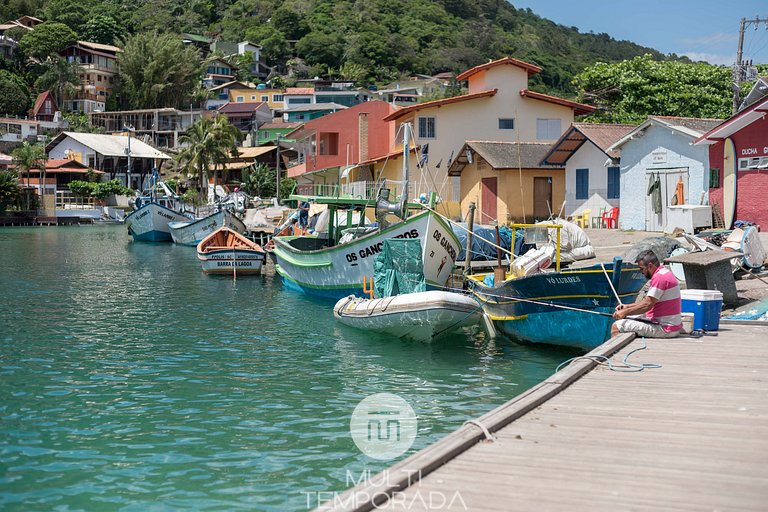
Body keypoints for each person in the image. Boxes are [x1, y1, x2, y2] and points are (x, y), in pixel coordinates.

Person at [611, 249, 682, 338]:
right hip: (671, 326)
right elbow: (647, 301)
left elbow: (647, 305)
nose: (641, 272)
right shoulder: (665, 273)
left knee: (617, 326)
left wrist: (624, 312)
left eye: (642, 269)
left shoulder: (659, 278)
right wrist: (627, 307)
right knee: (631, 318)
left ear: (650, 266)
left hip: (664, 328)